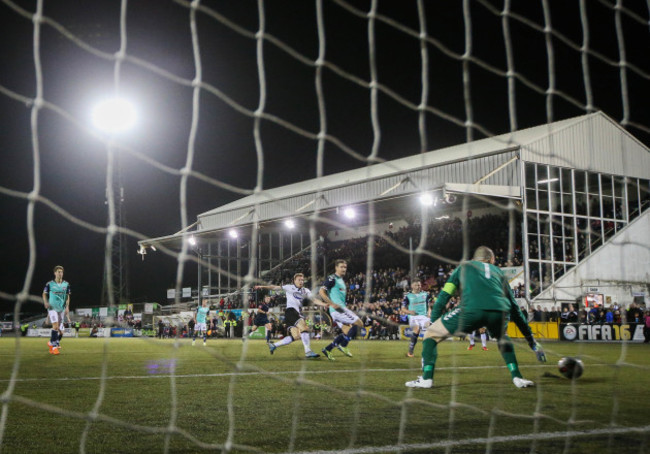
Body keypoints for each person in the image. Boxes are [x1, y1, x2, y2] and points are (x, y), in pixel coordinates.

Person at [405, 246, 546, 389]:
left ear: (474, 259)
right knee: (502, 337)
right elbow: (515, 308)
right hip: (500, 311)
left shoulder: (464, 266)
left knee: (430, 335)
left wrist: (434, 322)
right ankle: (517, 377)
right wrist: (531, 341)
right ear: (491, 260)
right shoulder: (498, 272)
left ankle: (426, 379)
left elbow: (444, 296)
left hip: (471, 309)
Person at [255, 273, 320, 359]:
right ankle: (308, 352)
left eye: (302, 280)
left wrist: (324, 304)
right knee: (304, 328)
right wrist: (262, 287)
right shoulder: (289, 287)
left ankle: (274, 345)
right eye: (299, 280)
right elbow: (274, 287)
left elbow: (314, 299)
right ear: (294, 281)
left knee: (296, 336)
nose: (301, 281)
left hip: (295, 314)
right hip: (291, 311)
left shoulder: (306, 290)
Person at [319, 259, 363, 361]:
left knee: (347, 331)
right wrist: (331, 303)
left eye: (345, 267)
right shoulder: (332, 278)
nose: (344, 269)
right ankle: (343, 345)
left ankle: (327, 349)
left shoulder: (341, 280)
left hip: (340, 309)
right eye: (341, 267)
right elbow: (321, 292)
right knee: (359, 323)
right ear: (336, 267)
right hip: (337, 310)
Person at [42, 265, 71, 355]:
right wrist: (46, 302)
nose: (60, 273)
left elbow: (67, 296)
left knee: (58, 328)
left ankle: (51, 343)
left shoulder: (66, 284)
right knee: (55, 326)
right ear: (55, 273)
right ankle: (54, 347)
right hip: (52, 308)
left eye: (61, 272)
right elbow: (44, 294)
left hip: (61, 308)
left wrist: (67, 307)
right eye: (58, 272)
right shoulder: (49, 284)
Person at [399, 278, 432, 357]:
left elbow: (429, 306)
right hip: (413, 317)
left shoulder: (426, 294)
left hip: (424, 316)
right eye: (416, 285)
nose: (419, 286)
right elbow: (403, 308)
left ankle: (429, 351)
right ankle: (410, 352)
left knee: (431, 329)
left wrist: (429, 313)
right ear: (412, 286)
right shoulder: (408, 296)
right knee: (416, 329)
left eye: (419, 285)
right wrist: (410, 312)